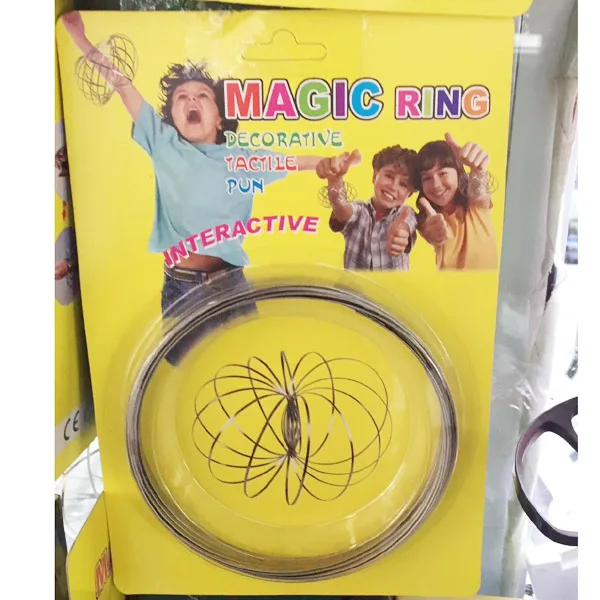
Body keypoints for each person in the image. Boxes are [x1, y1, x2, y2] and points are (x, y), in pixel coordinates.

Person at [62, 12, 338, 364]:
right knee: (180, 369)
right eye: (181, 98)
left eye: (202, 95)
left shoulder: (242, 158)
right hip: (181, 286)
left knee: (253, 361)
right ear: (171, 117)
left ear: (220, 117)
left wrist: (329, 164)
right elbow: (123, 86)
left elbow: (295, 161)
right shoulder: (163, 143)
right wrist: (82, 39)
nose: (191, 101)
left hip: (231, 284)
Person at [316, 145, 418, 270]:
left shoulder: (406, 213)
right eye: (389, 176)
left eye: (403, 184)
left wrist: (401, 233)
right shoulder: (359, 212)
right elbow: (341, 208)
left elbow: (407, 223)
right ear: (375, 176)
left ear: (410, 194)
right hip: (353, 283)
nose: (393, 186)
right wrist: (335, 181)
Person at [416, 133, 497, 270]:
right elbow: (428, 229)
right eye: (427, 178)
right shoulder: (428, 217)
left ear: (458, 172)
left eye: (442, 173)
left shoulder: (475, 205)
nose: (436, 184)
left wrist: (477, 169)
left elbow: (479, 193)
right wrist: (432, 232)